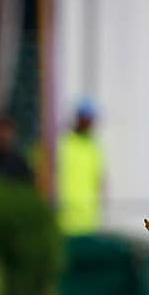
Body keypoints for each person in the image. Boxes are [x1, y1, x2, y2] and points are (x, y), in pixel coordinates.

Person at [57, 99, 105, 235]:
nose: (89, 123)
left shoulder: (94, 147)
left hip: (89, 222)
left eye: (91, 119)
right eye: (86, 119)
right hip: (64, 221)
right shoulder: (63, 143)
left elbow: (99, 180)